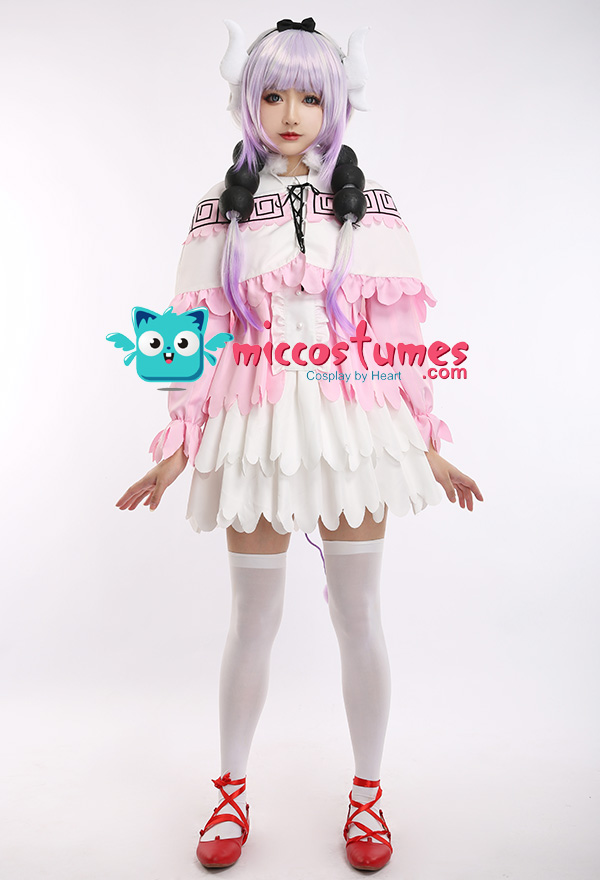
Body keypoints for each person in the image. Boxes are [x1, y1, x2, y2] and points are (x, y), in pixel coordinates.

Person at [116, 17, 483, 872]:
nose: (291, 113)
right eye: (274, 94)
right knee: (253, 617)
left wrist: (427, 441)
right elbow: (192, 331)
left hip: (352, 424)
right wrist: (176, 446)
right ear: (248, 99)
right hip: (255, 422)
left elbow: (396, 334)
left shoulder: (370, 202)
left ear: (336, 103)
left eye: (311, 97)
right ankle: (230, 792)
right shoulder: (219, 209)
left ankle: (368, 795)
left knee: (359, 614)